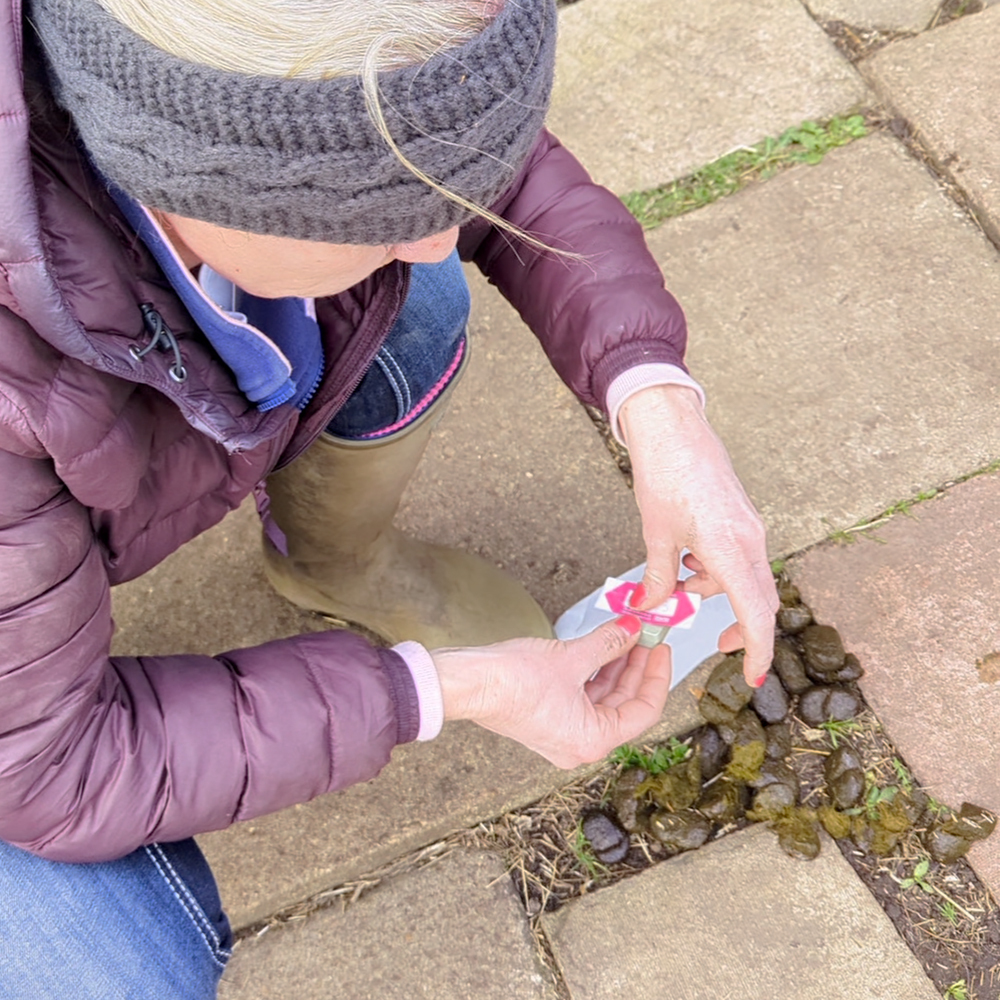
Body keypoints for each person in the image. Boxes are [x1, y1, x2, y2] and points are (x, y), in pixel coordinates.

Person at [0, 0, 778, 994]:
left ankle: (333, 559)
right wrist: (439, 691)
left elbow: (458, 158)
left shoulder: (241, 109)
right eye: (376, 215)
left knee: (420, 295)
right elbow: (51, 767)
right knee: (113, 973)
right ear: (198, 173)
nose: (441, 237)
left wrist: (656, 400)